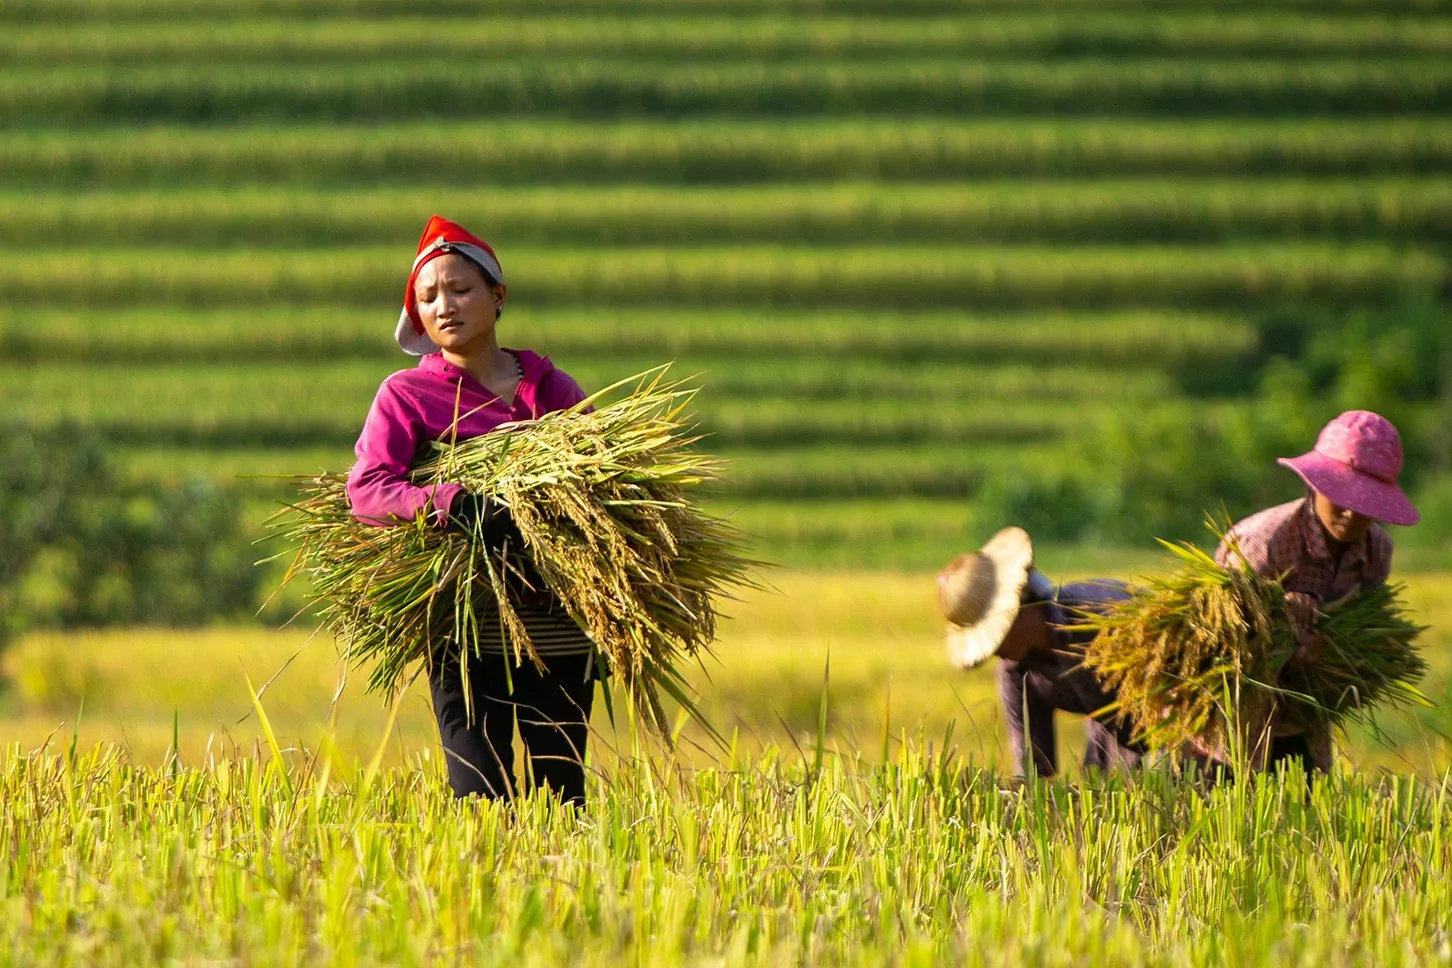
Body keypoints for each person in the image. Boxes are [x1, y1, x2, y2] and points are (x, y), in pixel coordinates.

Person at [347, 214, 598, 806]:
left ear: (497, 296)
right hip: (463, 622)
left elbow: (599, 474)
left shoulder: (552, 388)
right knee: (479, 793)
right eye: (428, 297)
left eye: (460, 289)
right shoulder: (406, 395)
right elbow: (368, 489)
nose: (445, 306)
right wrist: (452, 504)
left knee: (561, 795)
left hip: (554, 621)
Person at [1206, 410, 1420, 776]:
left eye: (1366, 504)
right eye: (1343, 497)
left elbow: (1358, 631)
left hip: (1303, 715)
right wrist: (1281, 622)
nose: (1352, 514)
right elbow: (1218, 638)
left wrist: (1321, 646)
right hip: (1232, 720)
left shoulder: (1375, 553)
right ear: (1317, 486)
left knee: (1303, 810)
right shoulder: (1263, 542)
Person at [938, 527, 1145, 778]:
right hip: (1112, 758)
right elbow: (1034, 774)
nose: (996, 653)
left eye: (996, 640)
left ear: (1018, 611)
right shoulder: (1017, 672)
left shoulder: (1108, 616)